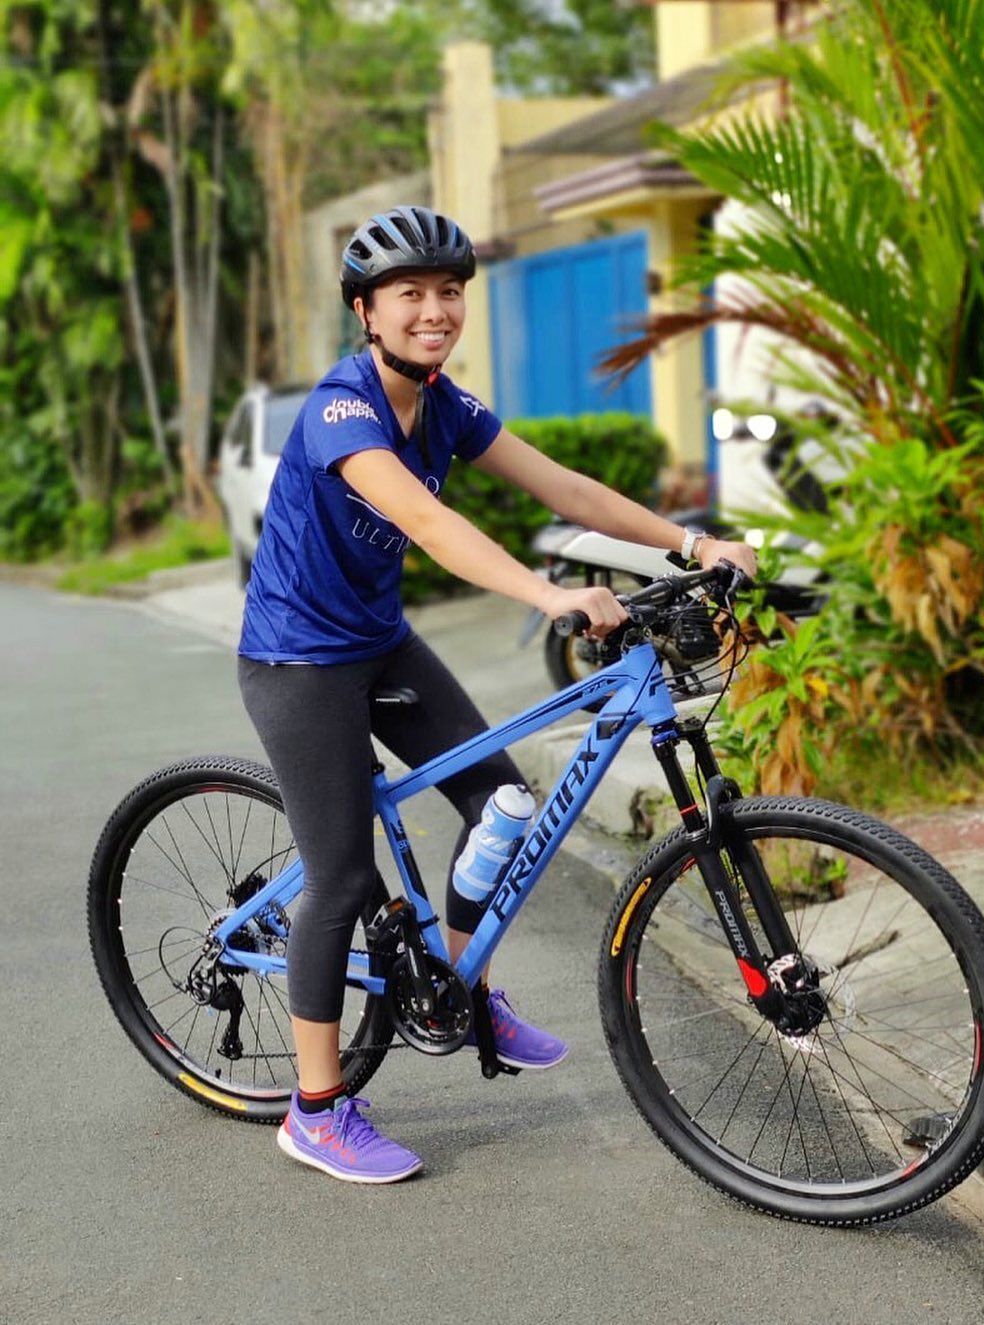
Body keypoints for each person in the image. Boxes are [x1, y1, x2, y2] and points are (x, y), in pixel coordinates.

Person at [237, 205, 757, 1185]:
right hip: (298, 661)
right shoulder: (341, 409)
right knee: (342, 878)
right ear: (366, 310)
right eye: (409, 294)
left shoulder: (446, 405)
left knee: (502, 803)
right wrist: (546, 592)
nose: (433, 311)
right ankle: (314, 1109)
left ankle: (459, 993)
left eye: (447, 292)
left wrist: (693, 544)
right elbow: (429, 522)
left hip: (378, 644)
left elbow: (565, 488)